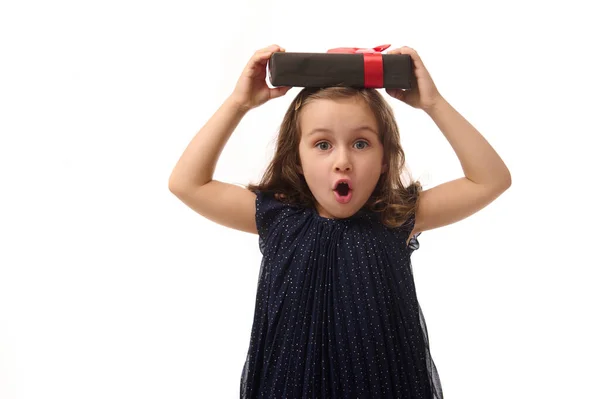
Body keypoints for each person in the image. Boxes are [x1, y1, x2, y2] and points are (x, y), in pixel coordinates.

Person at [168, 44, 511, 398]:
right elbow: (186, 183)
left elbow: (489, 180)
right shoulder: (278, 219)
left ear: (384, 158)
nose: (343, 161)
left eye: (361, 143)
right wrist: (238, 103)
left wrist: (433, 104)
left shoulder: (393, 218)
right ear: (297, 158)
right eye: (322, 145)